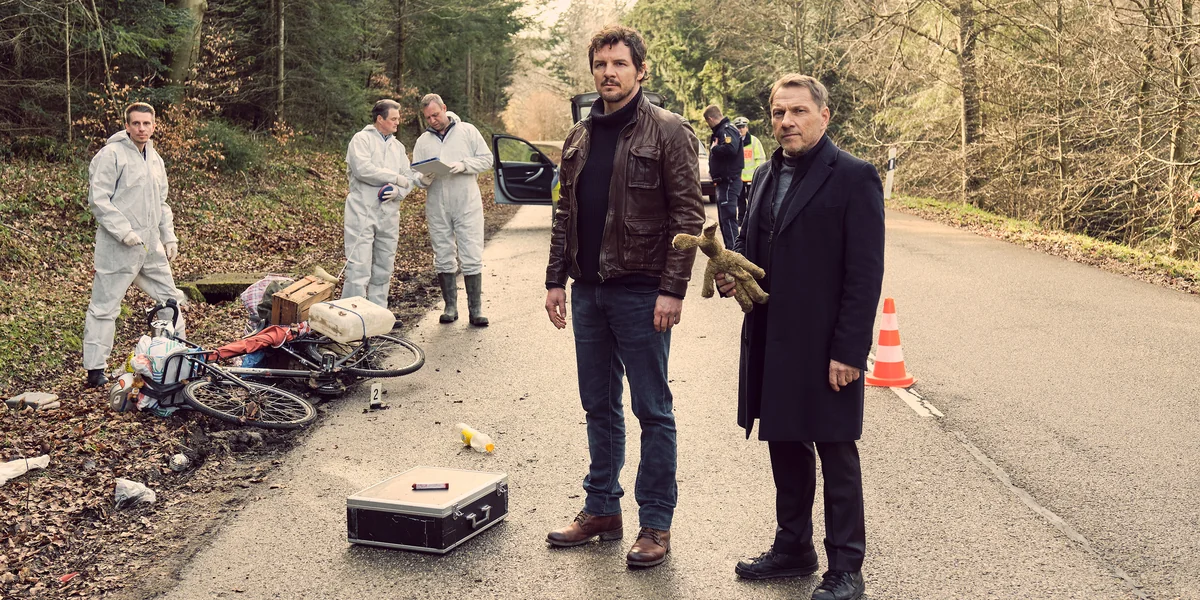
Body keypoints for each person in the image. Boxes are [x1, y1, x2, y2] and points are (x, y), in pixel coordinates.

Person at [716, 74, 884, 600]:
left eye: (798, 111)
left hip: (825, 343)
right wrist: (733, 273)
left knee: (836, 451)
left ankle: (846, 568)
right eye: (778, 112)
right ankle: (793, 548)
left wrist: (849, 351)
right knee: (785, 443)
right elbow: (754, 249)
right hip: (772, 338)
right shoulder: (765, 173)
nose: (787, 121)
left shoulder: (854, 177)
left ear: (824, 116)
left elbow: (864, 274)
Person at [543, 25, 705, 569]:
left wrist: (672, 289)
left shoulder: (670, 131)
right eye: (600, 64)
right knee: (598, 405)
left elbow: (688, 218)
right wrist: (555, 280)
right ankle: (602, 510)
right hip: (588, 292)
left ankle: (655, 523)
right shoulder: (578, 136)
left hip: (642, 293)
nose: (608, 73)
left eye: (618, 63)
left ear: (640, 70)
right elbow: (565, 213)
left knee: (652, 410)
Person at [82, 102, 188, 388]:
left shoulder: (155, 158)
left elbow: (161, 202)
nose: (142, 128)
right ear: (127, 125)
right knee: (105, 306)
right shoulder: (111, 155)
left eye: (147, 123)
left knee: (170, 300)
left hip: (150, 246)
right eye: (136, 123)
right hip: (118, 246)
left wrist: (169, 236)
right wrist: (123, 231)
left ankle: (175, 357)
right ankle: (95, 369)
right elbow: (99, 200)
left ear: (154, 126)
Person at [412, 94, 494, 326]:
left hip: (466, 201)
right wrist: (422, 179)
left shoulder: (467, 131)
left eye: (435, 115)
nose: (432, 120)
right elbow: (414, 173)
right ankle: (450, 306)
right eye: (428, 117)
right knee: (442, 253)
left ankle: (475, 310)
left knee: (471, 252)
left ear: (444, 109)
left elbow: (487, 159)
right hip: (437, 203)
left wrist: (464, 165)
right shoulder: (423, 141)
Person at [342, 99, 415, 308]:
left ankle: (378, 313)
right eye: (393, 118)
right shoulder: (361, 140)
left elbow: (408, 177)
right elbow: (363, 170)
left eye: (398, 118)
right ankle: (353, 315)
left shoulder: (397, 147)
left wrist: (398, 192)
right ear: (380, 119)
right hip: (362, 211)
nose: (397, 122)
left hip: (389, 214)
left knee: (384, 266)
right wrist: (395, 177)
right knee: (358, 267)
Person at [703, 104, 744, 249]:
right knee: (724, 221)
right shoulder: (721, 131)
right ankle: (730, 250)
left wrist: (715, 149)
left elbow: (731, 149)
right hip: (723, 183)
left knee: (728, 219)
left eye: (707, 122)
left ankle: (734, 253)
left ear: (710, 119)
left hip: (729, 182)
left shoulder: (727, 129)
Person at [734, 116, 766, 224]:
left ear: (747, 128)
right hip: (739, 177)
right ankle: (741, 219)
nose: (740, 129)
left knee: (752, 199)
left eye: (742, 127)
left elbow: (760, 159)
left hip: (752, 177)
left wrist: (758, 175)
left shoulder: (754, 141)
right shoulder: (734, 141)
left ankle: (753, 219)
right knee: (740, 200)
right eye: (738, 127)